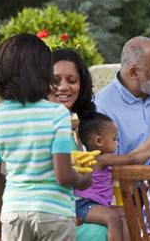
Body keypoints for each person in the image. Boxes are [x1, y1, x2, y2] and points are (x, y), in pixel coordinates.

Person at [0, 34, 91, 240]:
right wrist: (83, 179)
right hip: (54, 213)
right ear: (42, 73)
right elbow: (63, 175)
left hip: (13, 212)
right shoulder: (56, 114)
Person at [48, 49, 108, 240]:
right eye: (55, 80)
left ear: (81, 86)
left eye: (72, 81)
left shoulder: (71, 124)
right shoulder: (43, 123)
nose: (64, 87)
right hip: (50, 220)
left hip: (71, 211)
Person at [74, 112, 150, 241]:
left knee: (132, 213)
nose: (117, 143)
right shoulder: (100, 158)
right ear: (99, 141)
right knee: (113, 219)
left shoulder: (104, 160)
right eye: (114, 139)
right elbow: (130, 159)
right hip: (85, 205)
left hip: (100, 204)